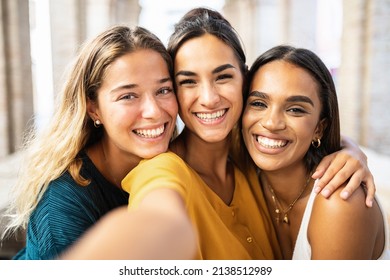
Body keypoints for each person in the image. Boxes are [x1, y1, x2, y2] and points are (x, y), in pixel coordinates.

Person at [63, 8, 378, 260]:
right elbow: (162, 221)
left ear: (245, 80)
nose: (209, 98)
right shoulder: (163, 170)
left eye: (223, 77)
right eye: (188, 82)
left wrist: (348, 149)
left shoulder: (251, 157)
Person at [2, 25, 179, 259]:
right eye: (128, 96)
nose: (154, 111)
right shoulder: (61, 207)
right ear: (93, 108)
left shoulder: (177, 162)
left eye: (163, 90)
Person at [241, 44, 389, 259]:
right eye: (258, 103)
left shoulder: (339, 203)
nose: (272, 123)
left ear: (319, 128)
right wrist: (351, 147)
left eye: (295, 109)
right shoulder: (244, 177)